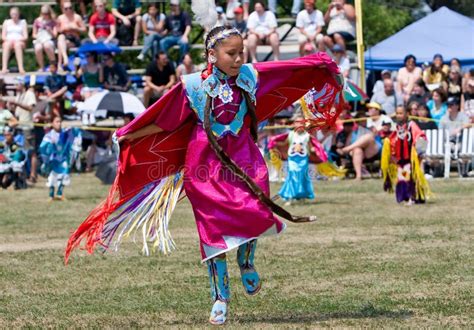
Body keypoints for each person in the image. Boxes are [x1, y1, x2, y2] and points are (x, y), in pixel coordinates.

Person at [64, 20, 344, 326]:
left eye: (241, 53)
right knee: (212, 232)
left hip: (245, 157)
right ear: (212, 54)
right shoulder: (193, 85)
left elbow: (285, 71)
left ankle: (247, 261)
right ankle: (220, 297)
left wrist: (320, 67)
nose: (238, 59)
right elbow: (165, 120)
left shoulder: (249, 76)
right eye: (231, 53)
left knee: (255, 207)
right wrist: (130, 134)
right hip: (204, 164)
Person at [381, 106, 430, 205]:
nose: (399, 115)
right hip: (400, 158)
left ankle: (413, 197)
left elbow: (420, 135)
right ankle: (405, 197)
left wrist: (420, 151)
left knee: (410, 177)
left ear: (407, 114)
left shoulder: (411, 125)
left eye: (401, 113)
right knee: (402, 177)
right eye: (397, 113)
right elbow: (393, 139)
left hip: (410, 158)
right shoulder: (397, 126)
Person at [268, 118, 316, 205]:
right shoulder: (291, 134)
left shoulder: (307, 136)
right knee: (293, 175)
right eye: (297, 122)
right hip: (292, 159)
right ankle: (290, 197)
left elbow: (310, 146)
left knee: (302, 177)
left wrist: (314, 149)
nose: (299, 125)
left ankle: (301, 195)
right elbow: (284, 143)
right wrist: (275, 143)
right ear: (294, 124)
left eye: (301, 123)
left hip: (303, 160)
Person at [40, 116, 81, 200]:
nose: (59, 124)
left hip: (63, 158)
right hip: (53, 159)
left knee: (65, 174)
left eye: (60, 122)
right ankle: (51, 195)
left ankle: (59, 193)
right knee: (53, 175)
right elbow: (43, 147)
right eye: (56, 122)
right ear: (52, 123)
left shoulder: (65, 133)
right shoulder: (49, 135)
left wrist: (72, 129)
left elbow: (74, 133)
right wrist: (50, 145)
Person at [335, 115, 381, 180]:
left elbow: (376, 140)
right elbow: (346, 145)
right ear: (357, 122)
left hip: (371, 150)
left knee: (368, 137)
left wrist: (374, 132)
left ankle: (350, 148)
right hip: (357, 153)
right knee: (357, 150)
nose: (363, 121)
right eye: (361, 120)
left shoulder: (372, 129)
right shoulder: (352, 133)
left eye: (365, 119)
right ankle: (358, 176)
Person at [57, 2, 87, 70]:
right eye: (66, 9)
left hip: (75, 39)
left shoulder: (77, 17)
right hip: (65, 38)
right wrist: (64, 29)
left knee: (60, 44)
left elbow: (84, 29)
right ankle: (65, 59)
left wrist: (75, 28)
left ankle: (60, 64)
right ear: (63, 9)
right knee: (60, 38)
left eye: (70, 8)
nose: (69, 10)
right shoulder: (60, 18)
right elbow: (57, 30)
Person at [1, 7, 28, 74]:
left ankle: (21, 68)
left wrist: (17, 40)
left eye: (15, 14)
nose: (14, 15)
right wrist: (10, 40)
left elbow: (26, 37)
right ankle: (4, 68)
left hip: (20, 41)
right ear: (10, 14)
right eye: (12, 14)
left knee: (17, 45)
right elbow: (3, 36)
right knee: (7, 45)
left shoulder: (23, 22)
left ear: (18, 14)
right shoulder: (6, 22)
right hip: (8, 40)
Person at [32, 5, 58, 72]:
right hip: (40, 38)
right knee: (38, 48)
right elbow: (33, 34)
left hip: (49, 39)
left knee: (47, 45)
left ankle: (53, 64)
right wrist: (38, 37)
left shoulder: (53, 22)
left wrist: (50, 31)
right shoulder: (37, 21)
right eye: (43, 13)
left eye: (46, 14)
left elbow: (55, 35)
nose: (44, 15)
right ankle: (41, 67)